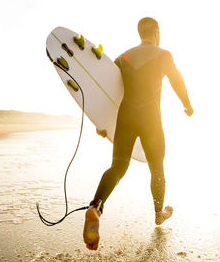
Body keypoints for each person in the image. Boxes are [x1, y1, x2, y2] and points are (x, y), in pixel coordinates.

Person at [83, 17, 193, 251]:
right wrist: (187, 104)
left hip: (125, 118)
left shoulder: (123, 58)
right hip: (150, 119)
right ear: (157, 33)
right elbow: (176, 78)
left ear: (139, 32)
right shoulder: (163, 55)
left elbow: (106, 91)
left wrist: (100, 123)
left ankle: (95, 206)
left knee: (119, 166)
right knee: (157, 169)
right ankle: (158, 213)